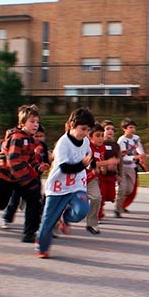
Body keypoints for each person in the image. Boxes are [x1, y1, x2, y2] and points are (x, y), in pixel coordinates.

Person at [0, 105, 50, 243]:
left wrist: (39, 167)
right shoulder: (17, 137)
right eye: (32, 121)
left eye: (37, 122)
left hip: (18, 176)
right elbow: (13, 162)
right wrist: (27, 179)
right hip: (4, 176)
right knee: (0, 204)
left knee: (34, 199)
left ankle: (29, 233)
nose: (35, 125)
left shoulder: (29, 139)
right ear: (22, 123)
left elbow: (30, 159)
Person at [36, 107, 96, 258]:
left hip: (76, 186)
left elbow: (88, 154)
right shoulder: (63, 143)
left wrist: (91, 163)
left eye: (88, 130)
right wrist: (82, 164)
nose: (85, 133)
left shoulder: (86, 141)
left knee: (82, 210)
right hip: (58, 188)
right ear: (71, 125)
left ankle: (65, 218)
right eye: (83, 129)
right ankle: (42, 245)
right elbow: (65, 168)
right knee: (48, 222)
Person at [0, 124, 51, 228]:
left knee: (36, 200)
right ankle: (6, 218)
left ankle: (34, 223)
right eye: (36, 136)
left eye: (41, 136)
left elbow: (45, 160)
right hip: (22, 176)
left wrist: (44, 165)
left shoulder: (44, 147)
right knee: (15, 199)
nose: (39, 138)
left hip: (35, 177)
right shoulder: (26, 145)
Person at [84, 123, 119, 234]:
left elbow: (100, 161)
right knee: (69, 202)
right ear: (90, 137)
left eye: (102, 135)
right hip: (79, 177)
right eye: (97, 135)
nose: (101, 138)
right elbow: (92, 163)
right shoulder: (87, 147)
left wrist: (103, 168)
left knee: (97, 197)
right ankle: (58, 222)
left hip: (92, 178)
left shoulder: (103, 147)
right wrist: (107, 163)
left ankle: (92, 224)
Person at [115, 118, 146, 217]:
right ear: (124, 129)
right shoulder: (122, 140)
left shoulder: (136, 138)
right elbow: (122, 156)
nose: (133, 130)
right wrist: (135, 157)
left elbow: (139, 147)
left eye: (134, 127)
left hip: (132, 167)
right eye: (130, 127)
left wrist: (141, 155)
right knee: (122, 189)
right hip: (122, 167)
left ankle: (119, 199)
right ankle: (118, 209)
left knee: (129, 189)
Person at [97, 120, 122, 222]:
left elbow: (120, 161)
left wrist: (119, 174)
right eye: (107, 129)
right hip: (101, 175)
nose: (110, 131)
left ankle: (96, 208)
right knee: (101, 196)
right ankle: (98, 214)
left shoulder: (116, 146)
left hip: (112, 175)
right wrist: (104, 165)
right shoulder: (99, 144)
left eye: (112, 129)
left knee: (111, 196)